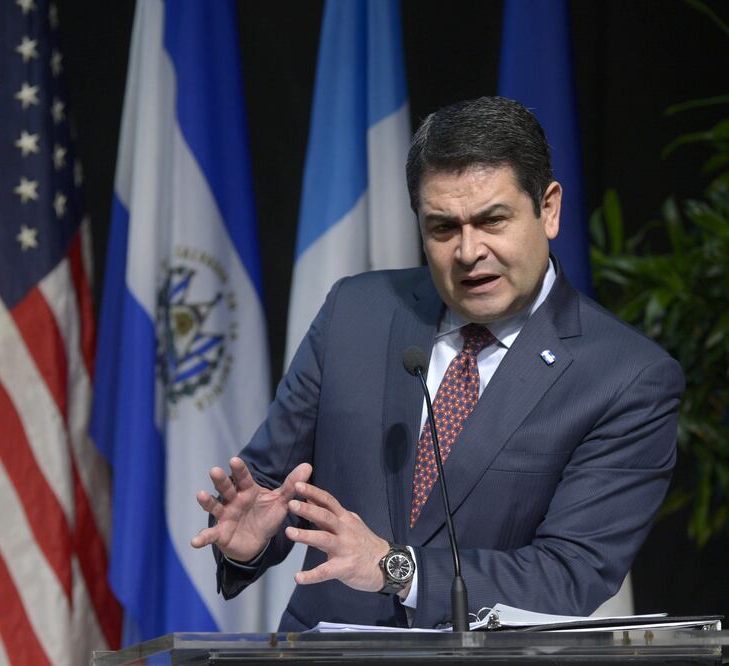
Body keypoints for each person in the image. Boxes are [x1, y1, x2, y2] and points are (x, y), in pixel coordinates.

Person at [190, 96, 684, 630]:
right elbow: (270, 487)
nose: (469, 252)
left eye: (492, 220)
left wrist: (396, 568)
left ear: (548, 209)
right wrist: (247, 544)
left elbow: (569, 575)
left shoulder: (625, 376)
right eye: (443, 228)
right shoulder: (355, 312)